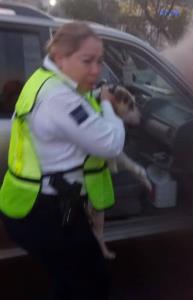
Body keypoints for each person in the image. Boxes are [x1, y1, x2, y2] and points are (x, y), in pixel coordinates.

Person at [0, 22, 124, 300]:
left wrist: (91, 96)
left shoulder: (44, 79)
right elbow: (111, 144)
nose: (96, 69)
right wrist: (106, 105)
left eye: (100, 60)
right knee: (91, 282)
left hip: (33, 204)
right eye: (87, 60)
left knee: (70, 279)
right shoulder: (61, 99)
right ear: (60, 58)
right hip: (47, 212)